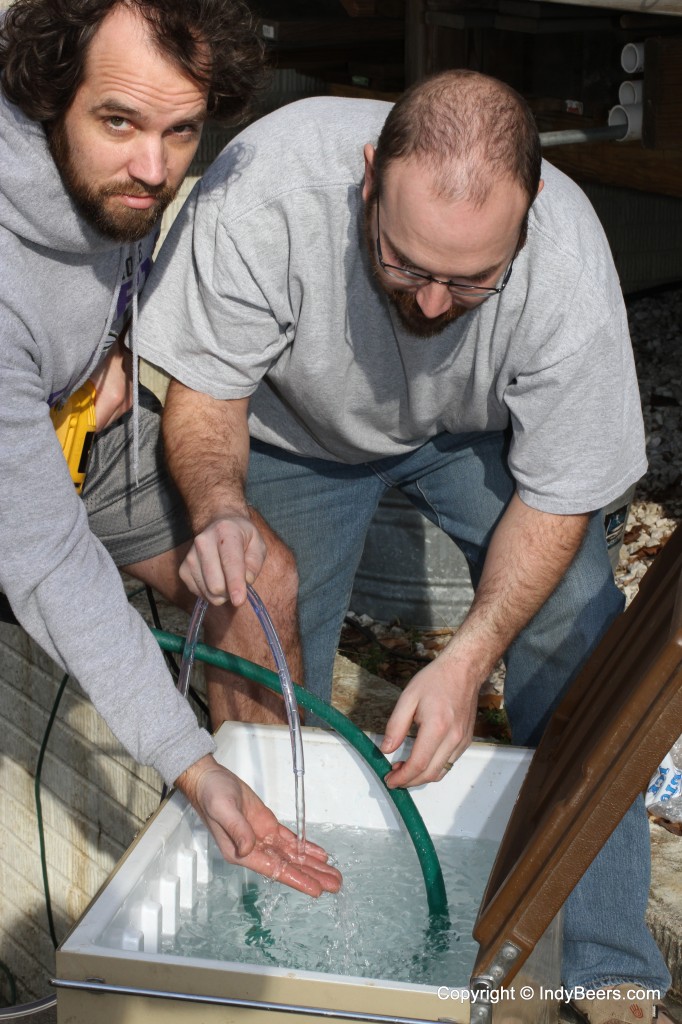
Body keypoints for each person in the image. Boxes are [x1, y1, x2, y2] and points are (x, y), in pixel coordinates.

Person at [136, 70, 672, 1020]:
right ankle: (275, 942)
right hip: (293, 432)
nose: (431, 306)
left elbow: (557, 499)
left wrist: (468, 661)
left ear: (533, 208)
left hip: (477, 437)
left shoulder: (568, 261)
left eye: (470, 280)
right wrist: (222, 508)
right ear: (369, 175)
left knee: (578, 626)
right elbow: (207, 391)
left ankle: (603, 963)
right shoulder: (266, 186)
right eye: (405, 265)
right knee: (260, 653)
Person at [0, 0, 341, 897]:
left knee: (252, 575)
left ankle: (268, 836)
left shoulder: (124, 169)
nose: (152, 168)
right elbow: (44, 555)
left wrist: (112, 343)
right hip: (20, 447)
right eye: (119, 122)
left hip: (76, 423)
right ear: (46, 96)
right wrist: (185, 757)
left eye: (181, 129)